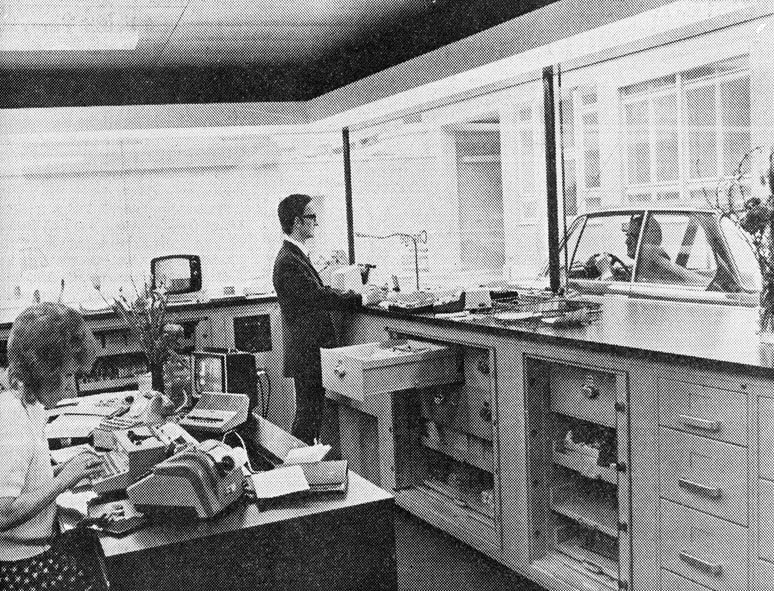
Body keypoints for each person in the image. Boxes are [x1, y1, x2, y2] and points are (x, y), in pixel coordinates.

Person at [1, 302, 106, 590]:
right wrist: (62, 481)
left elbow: (27, 480)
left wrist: (65, 470)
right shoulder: (11, 420)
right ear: (43, 371)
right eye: (68, 375)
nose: (73, 388)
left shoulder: (29, 407)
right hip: (20, 567)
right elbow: (2, 513)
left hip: (37, 548)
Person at [272, 194, 384, 444]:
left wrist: (354, 294)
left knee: (310, 415)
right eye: (312, 217)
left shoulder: (294, 256)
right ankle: (298, 463)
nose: (316, 222)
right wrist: (363, 298)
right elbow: (318, 296)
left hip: (307, 351)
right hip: (307, 351)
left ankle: (302, 461)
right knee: (307, 417)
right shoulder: (289, 260)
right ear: (298, 222)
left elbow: (317, 291)